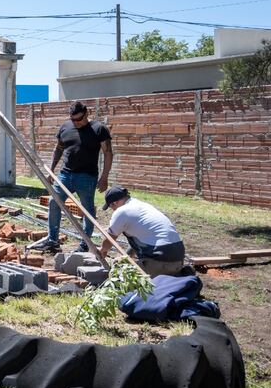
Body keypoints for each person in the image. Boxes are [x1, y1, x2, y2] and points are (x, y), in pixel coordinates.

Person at [29, 101, 113, 254]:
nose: (76, 123)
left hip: (87, 177)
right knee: (54, 202)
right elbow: (59, 148)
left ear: (86, 113)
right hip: (65, 174)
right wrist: (51, 170)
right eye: (73, 119)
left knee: (87, 210)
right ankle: (53, 241)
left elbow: (108, 153)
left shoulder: (99, 129)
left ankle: (85, 243)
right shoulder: (66, 127)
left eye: (79, 119)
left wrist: (104, 177)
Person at [98, 186, 187, 277]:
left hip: (160, 258)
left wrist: (102, 251)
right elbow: (141, 237)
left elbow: (109, 241)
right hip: (178, 256)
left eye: (111, 207)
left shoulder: (121, 211)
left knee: (122, 275)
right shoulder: (142, 206)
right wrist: (127, 257)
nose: (113, 210)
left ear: (114, 203)